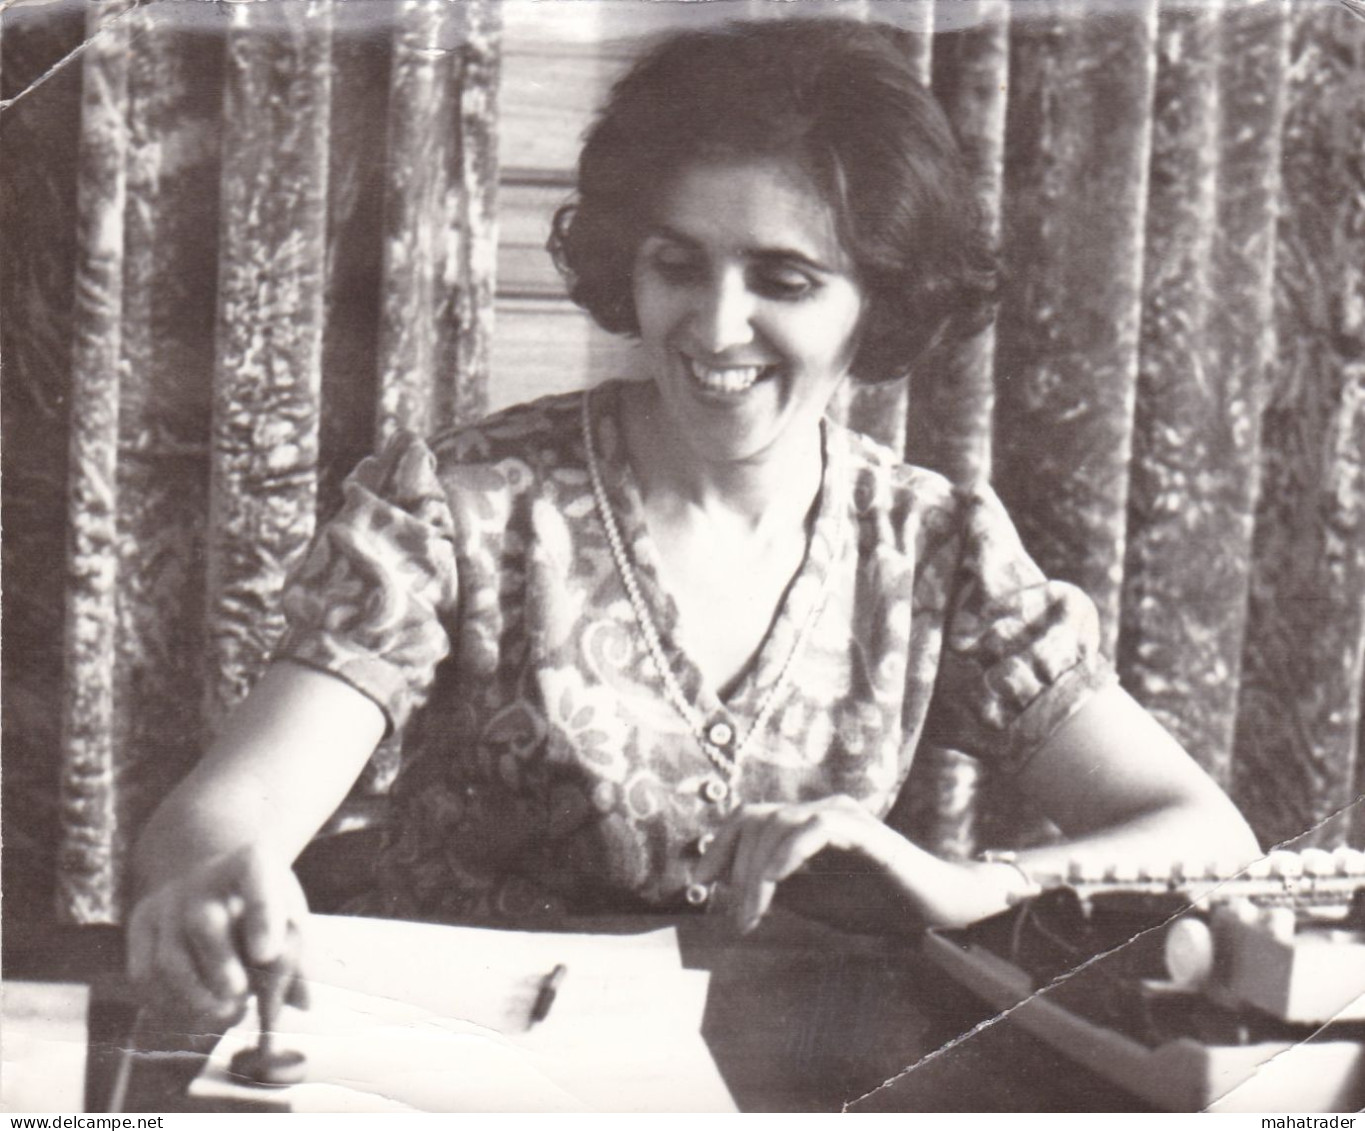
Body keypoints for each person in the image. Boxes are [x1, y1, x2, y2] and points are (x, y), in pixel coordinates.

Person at [127, 19, 1259, 1023]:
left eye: (786, 280)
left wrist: (972, 885)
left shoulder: (937, 548)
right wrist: (222, 874)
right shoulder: (458, 506)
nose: (719, 327)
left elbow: (1206, 837)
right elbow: (228, 812)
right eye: (680, 265)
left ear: (884, 298)